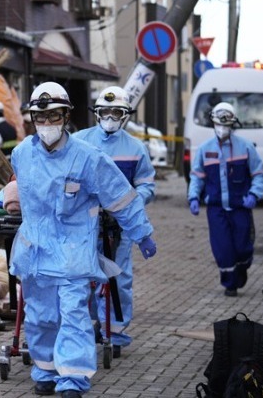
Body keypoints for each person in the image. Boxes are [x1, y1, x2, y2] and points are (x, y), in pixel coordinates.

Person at [9, 81, 157, 398]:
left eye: (54, 116)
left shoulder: (89, 157)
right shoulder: (21, 154)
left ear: (66, 116)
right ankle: (45, 369)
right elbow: (17, 192)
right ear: (33, 119)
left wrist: (141, 232)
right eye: (41, 117)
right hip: (35, 252)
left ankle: (73, 378)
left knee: (74, 315)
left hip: (73, 252)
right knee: (40, 316)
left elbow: (121, 198)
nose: (47, 124)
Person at [72, 86, 156, 359]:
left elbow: (146, 184)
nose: (109, 116)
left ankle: (116, 333)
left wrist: (132, 203)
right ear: (96, 113)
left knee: (119, 279)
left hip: (119, 227)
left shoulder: (135, 148)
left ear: (125, 115)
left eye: (116, 111)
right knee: (82, 278)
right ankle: (87, 328)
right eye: (105, 111)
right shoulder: (78, 142)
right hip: (83, 226)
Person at [187, 102, 263, 297]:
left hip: (240, 207)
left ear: (233, 124)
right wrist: (193, 197)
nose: (222, 128)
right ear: (213, 123)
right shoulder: (205, 149)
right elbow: (197, 176)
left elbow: (259, 173)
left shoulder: (245, 147)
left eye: (226, 124)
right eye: (218, 123)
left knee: (242, 248)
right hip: (216, 209)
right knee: (222, 249)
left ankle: (243, 266)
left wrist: (254, 194)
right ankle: (230, 284)